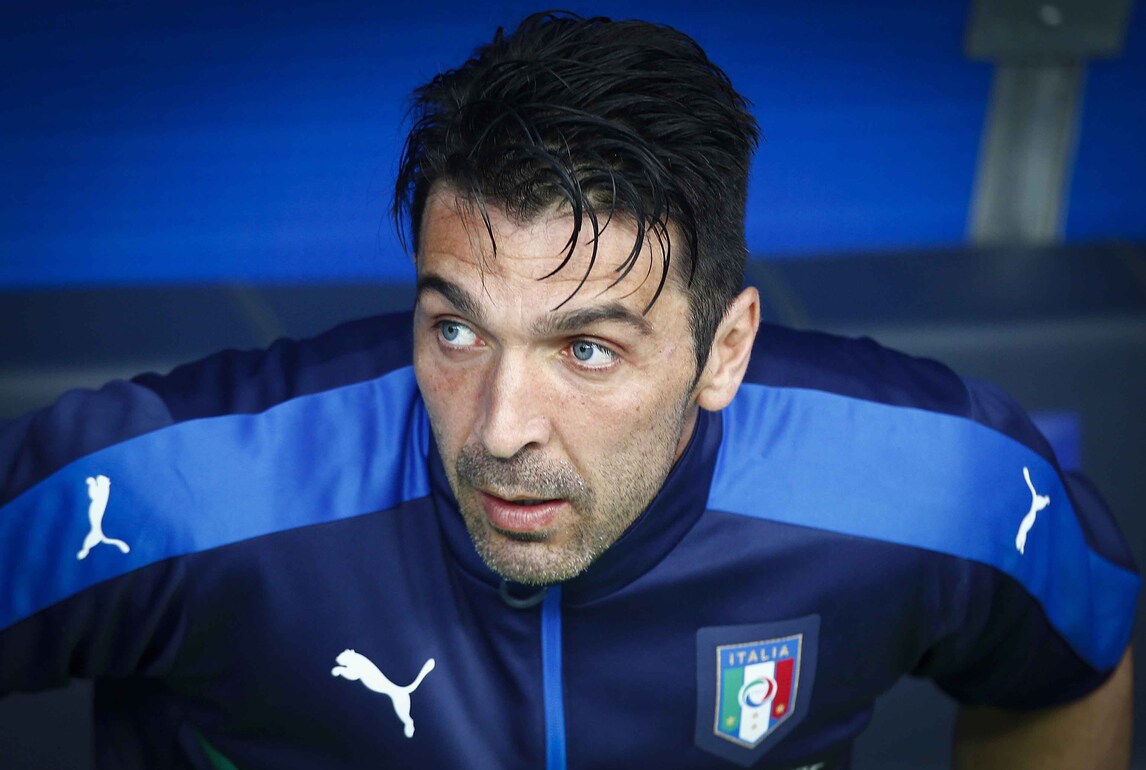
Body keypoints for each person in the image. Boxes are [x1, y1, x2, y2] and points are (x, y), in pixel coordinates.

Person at [0, 11, 1137, 769]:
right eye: (455, 328)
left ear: (725, 351)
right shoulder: (189, 494)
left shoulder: (932, 484)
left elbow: (1068, 669)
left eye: (587, 349)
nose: (500, 428)